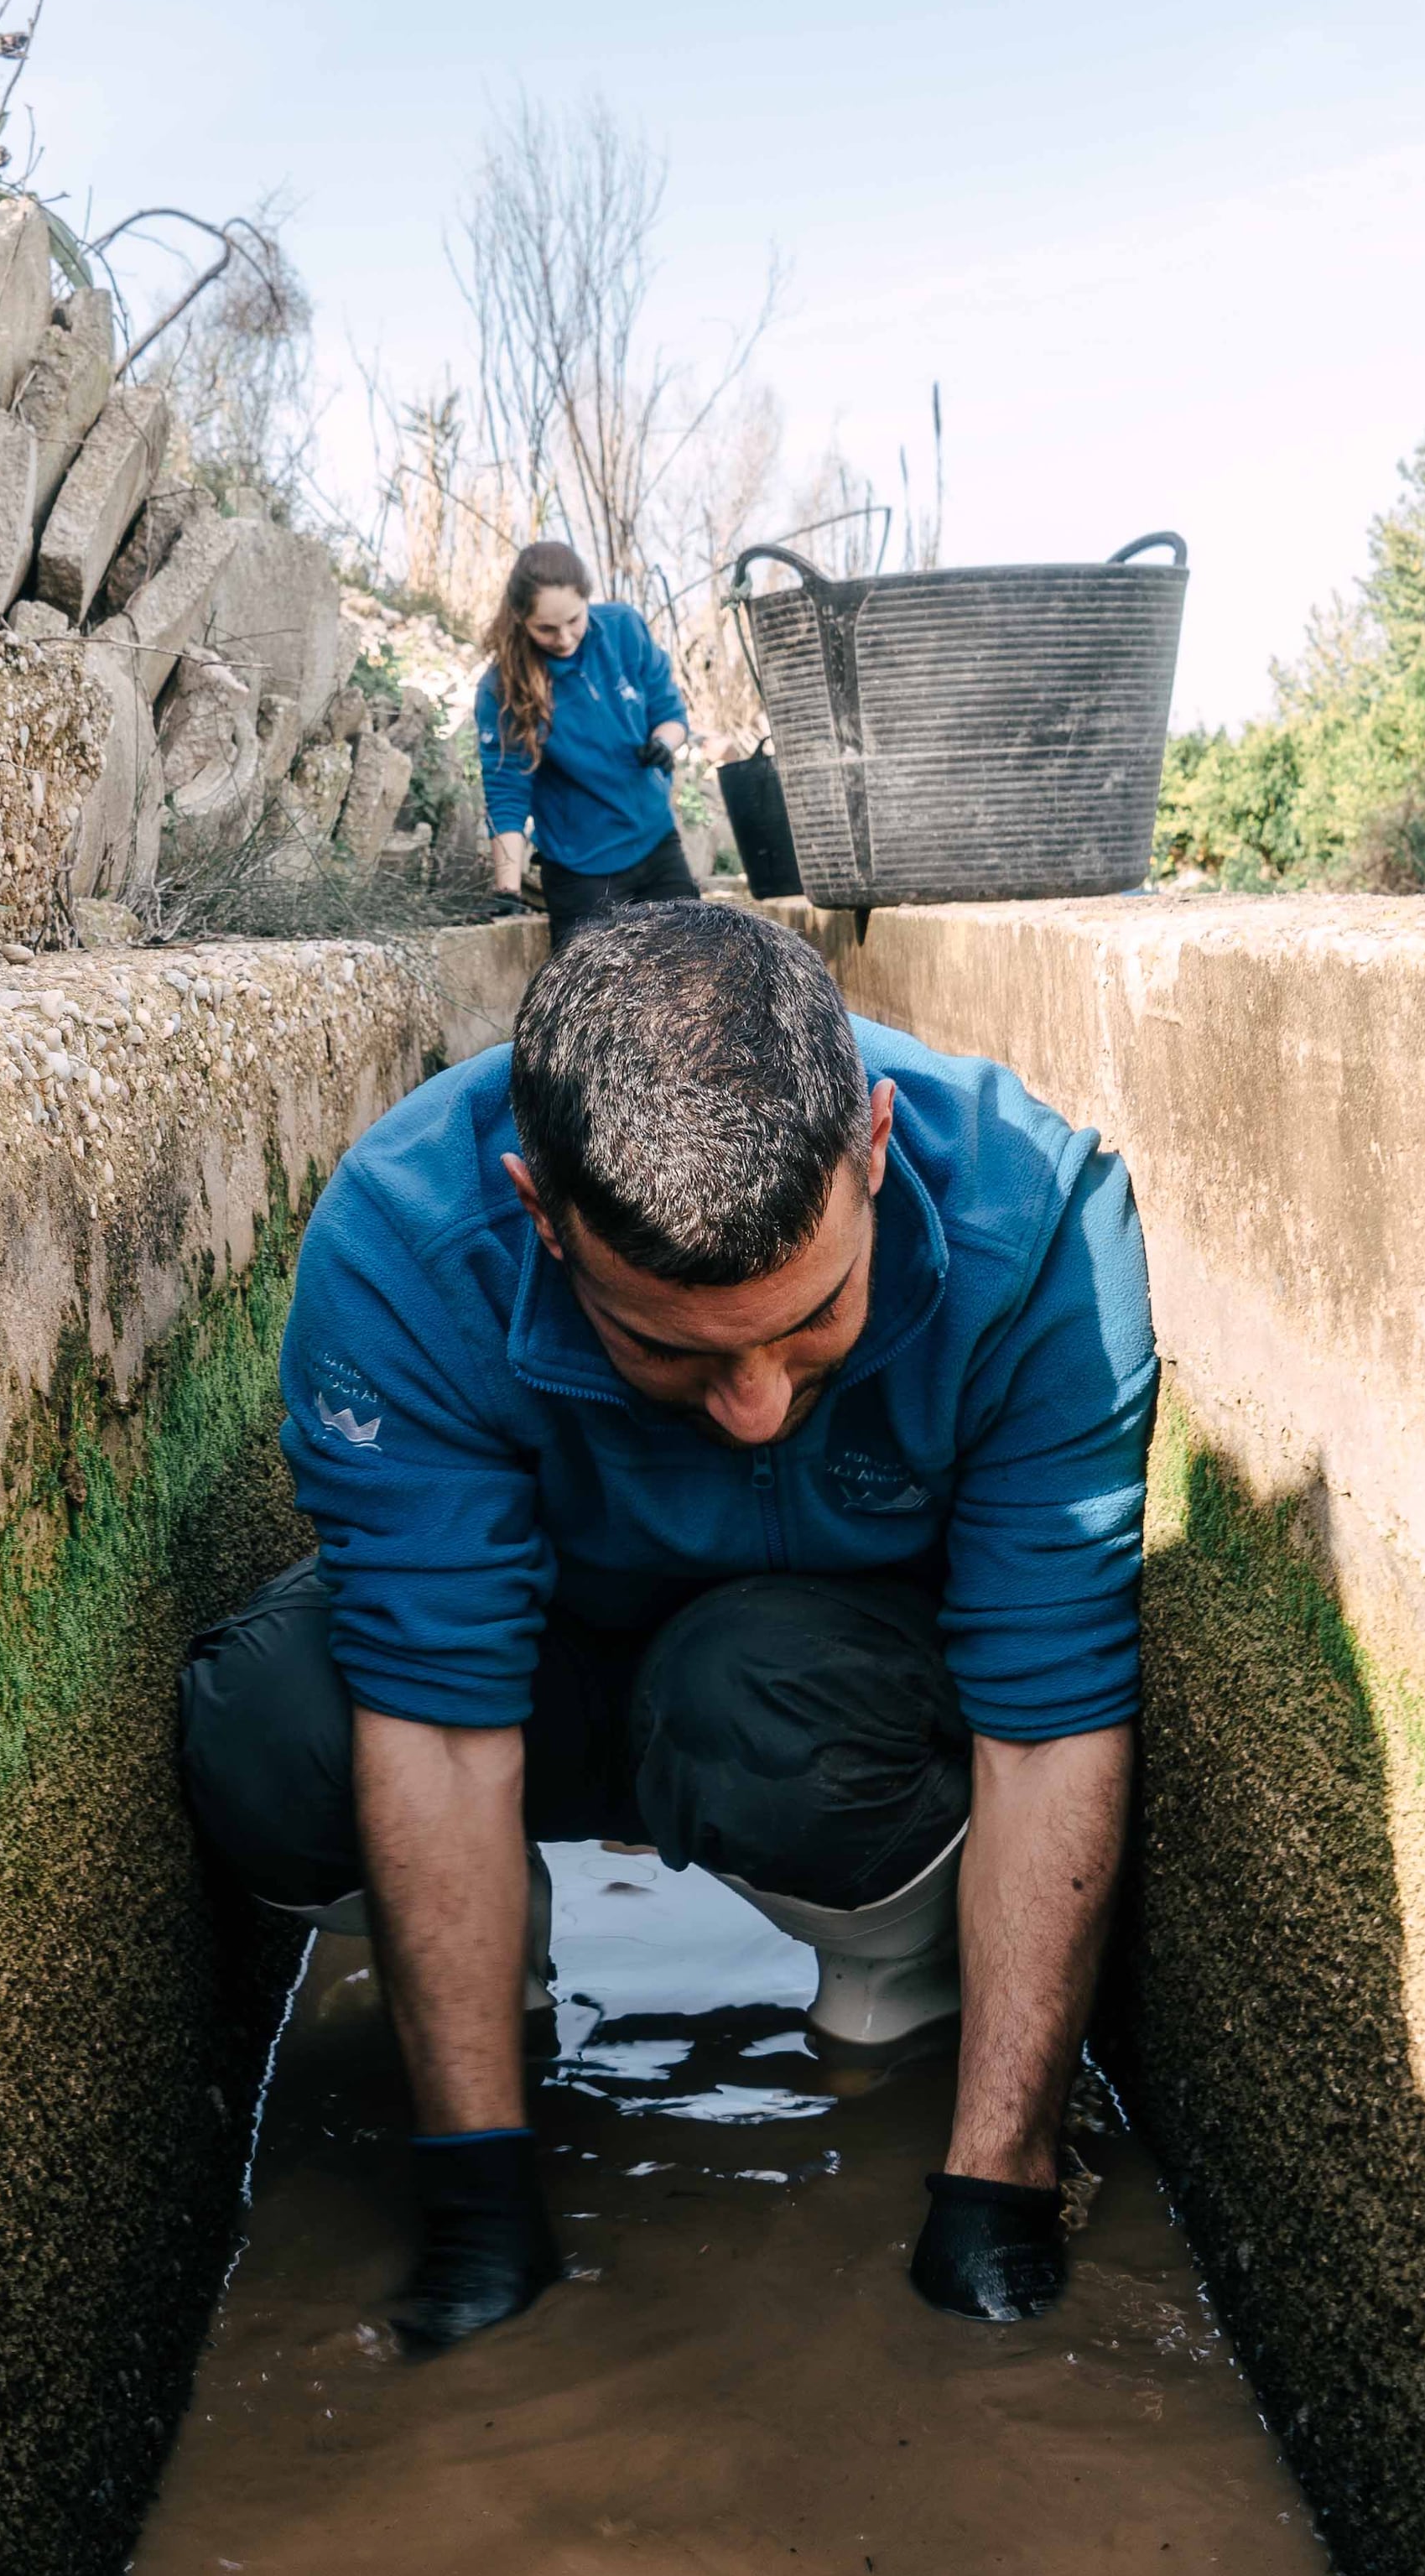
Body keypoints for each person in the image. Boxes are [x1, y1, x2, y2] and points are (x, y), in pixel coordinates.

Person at [179, 901, 1157, 2350]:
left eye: (810, 1320)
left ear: (875, 1144)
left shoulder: (1046, 1235)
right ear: (538, 1214)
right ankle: (484, 1974)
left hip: (819, 1695)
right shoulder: (404, 1242)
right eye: (669, 1347)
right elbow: (440, 1728)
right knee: (268, 1733)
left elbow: (1048, 1720)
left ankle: (889, 1980)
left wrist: (1000, 2177)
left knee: (744, 1696)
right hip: (545, 1660)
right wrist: (474, 2188)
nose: (755, 1405)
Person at [475, 539, 700, 939]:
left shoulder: (624, 630)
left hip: (655, 843)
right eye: (546, 629)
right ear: (520, 619)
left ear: (587, 600)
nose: (564, 639)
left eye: (573, 621)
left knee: (697, 978)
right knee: (597, 998)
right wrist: (507, 888)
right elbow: (507, 793)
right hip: (580, 871)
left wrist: (663, 744)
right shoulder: (502, 688)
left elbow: (670, 714)